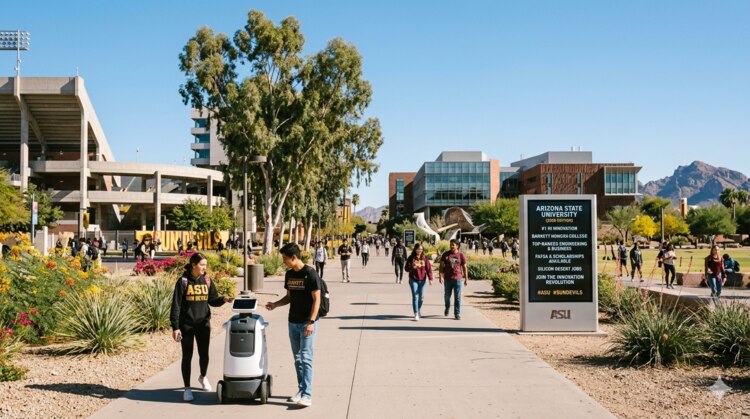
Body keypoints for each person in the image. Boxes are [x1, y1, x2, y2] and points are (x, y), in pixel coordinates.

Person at [170, 252, 233, 402]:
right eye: (202, 265)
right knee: (187, 356)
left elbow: (212, 300)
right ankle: (187, 388)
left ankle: (203, 377)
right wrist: (175, 327)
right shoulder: (183, 281)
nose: (205, 267)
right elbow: (176, 306)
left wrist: (223, 299)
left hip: (203, 323)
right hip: (187, 325)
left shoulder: (207, 280)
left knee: (204, 354)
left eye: (205, 265)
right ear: (193, 265)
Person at [265, 243, 321, 408]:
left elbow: (316, 299)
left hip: (307, 322)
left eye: (284, 258)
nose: (283, 261)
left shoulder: (310, 274)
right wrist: (275, 304)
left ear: (294, 257)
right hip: (293, 322)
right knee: (298, 359)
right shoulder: (289, 274)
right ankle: (301, 390)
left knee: (306, 358)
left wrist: (311, 322)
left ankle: (307, 395)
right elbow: (289, 296)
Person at [439, 239, 468, 320]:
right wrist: (440, 275)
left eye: (453, 245)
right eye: (450, 244)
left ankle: (457, 313)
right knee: (447, 296)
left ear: (457, 246)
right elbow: (441, 266)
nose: (451, 246)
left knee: (457, 297)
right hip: (448, 279)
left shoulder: (461, 255)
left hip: (457, 279)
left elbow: (464, 267)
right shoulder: (446, 254)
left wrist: (466, 278)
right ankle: (447, 307)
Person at [405, 243, 433, 321]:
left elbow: (428, 268)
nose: (420, 250)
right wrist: (412, 267)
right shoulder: (411, 257)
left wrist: (430, 278)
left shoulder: (424, 258)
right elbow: (406, 268)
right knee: (415, 296)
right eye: (418, 249)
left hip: (422, 280)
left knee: (421, 298)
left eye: (421, 249)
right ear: (415, 249)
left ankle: (418, 308)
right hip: (413, 279)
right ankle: (416, 313)